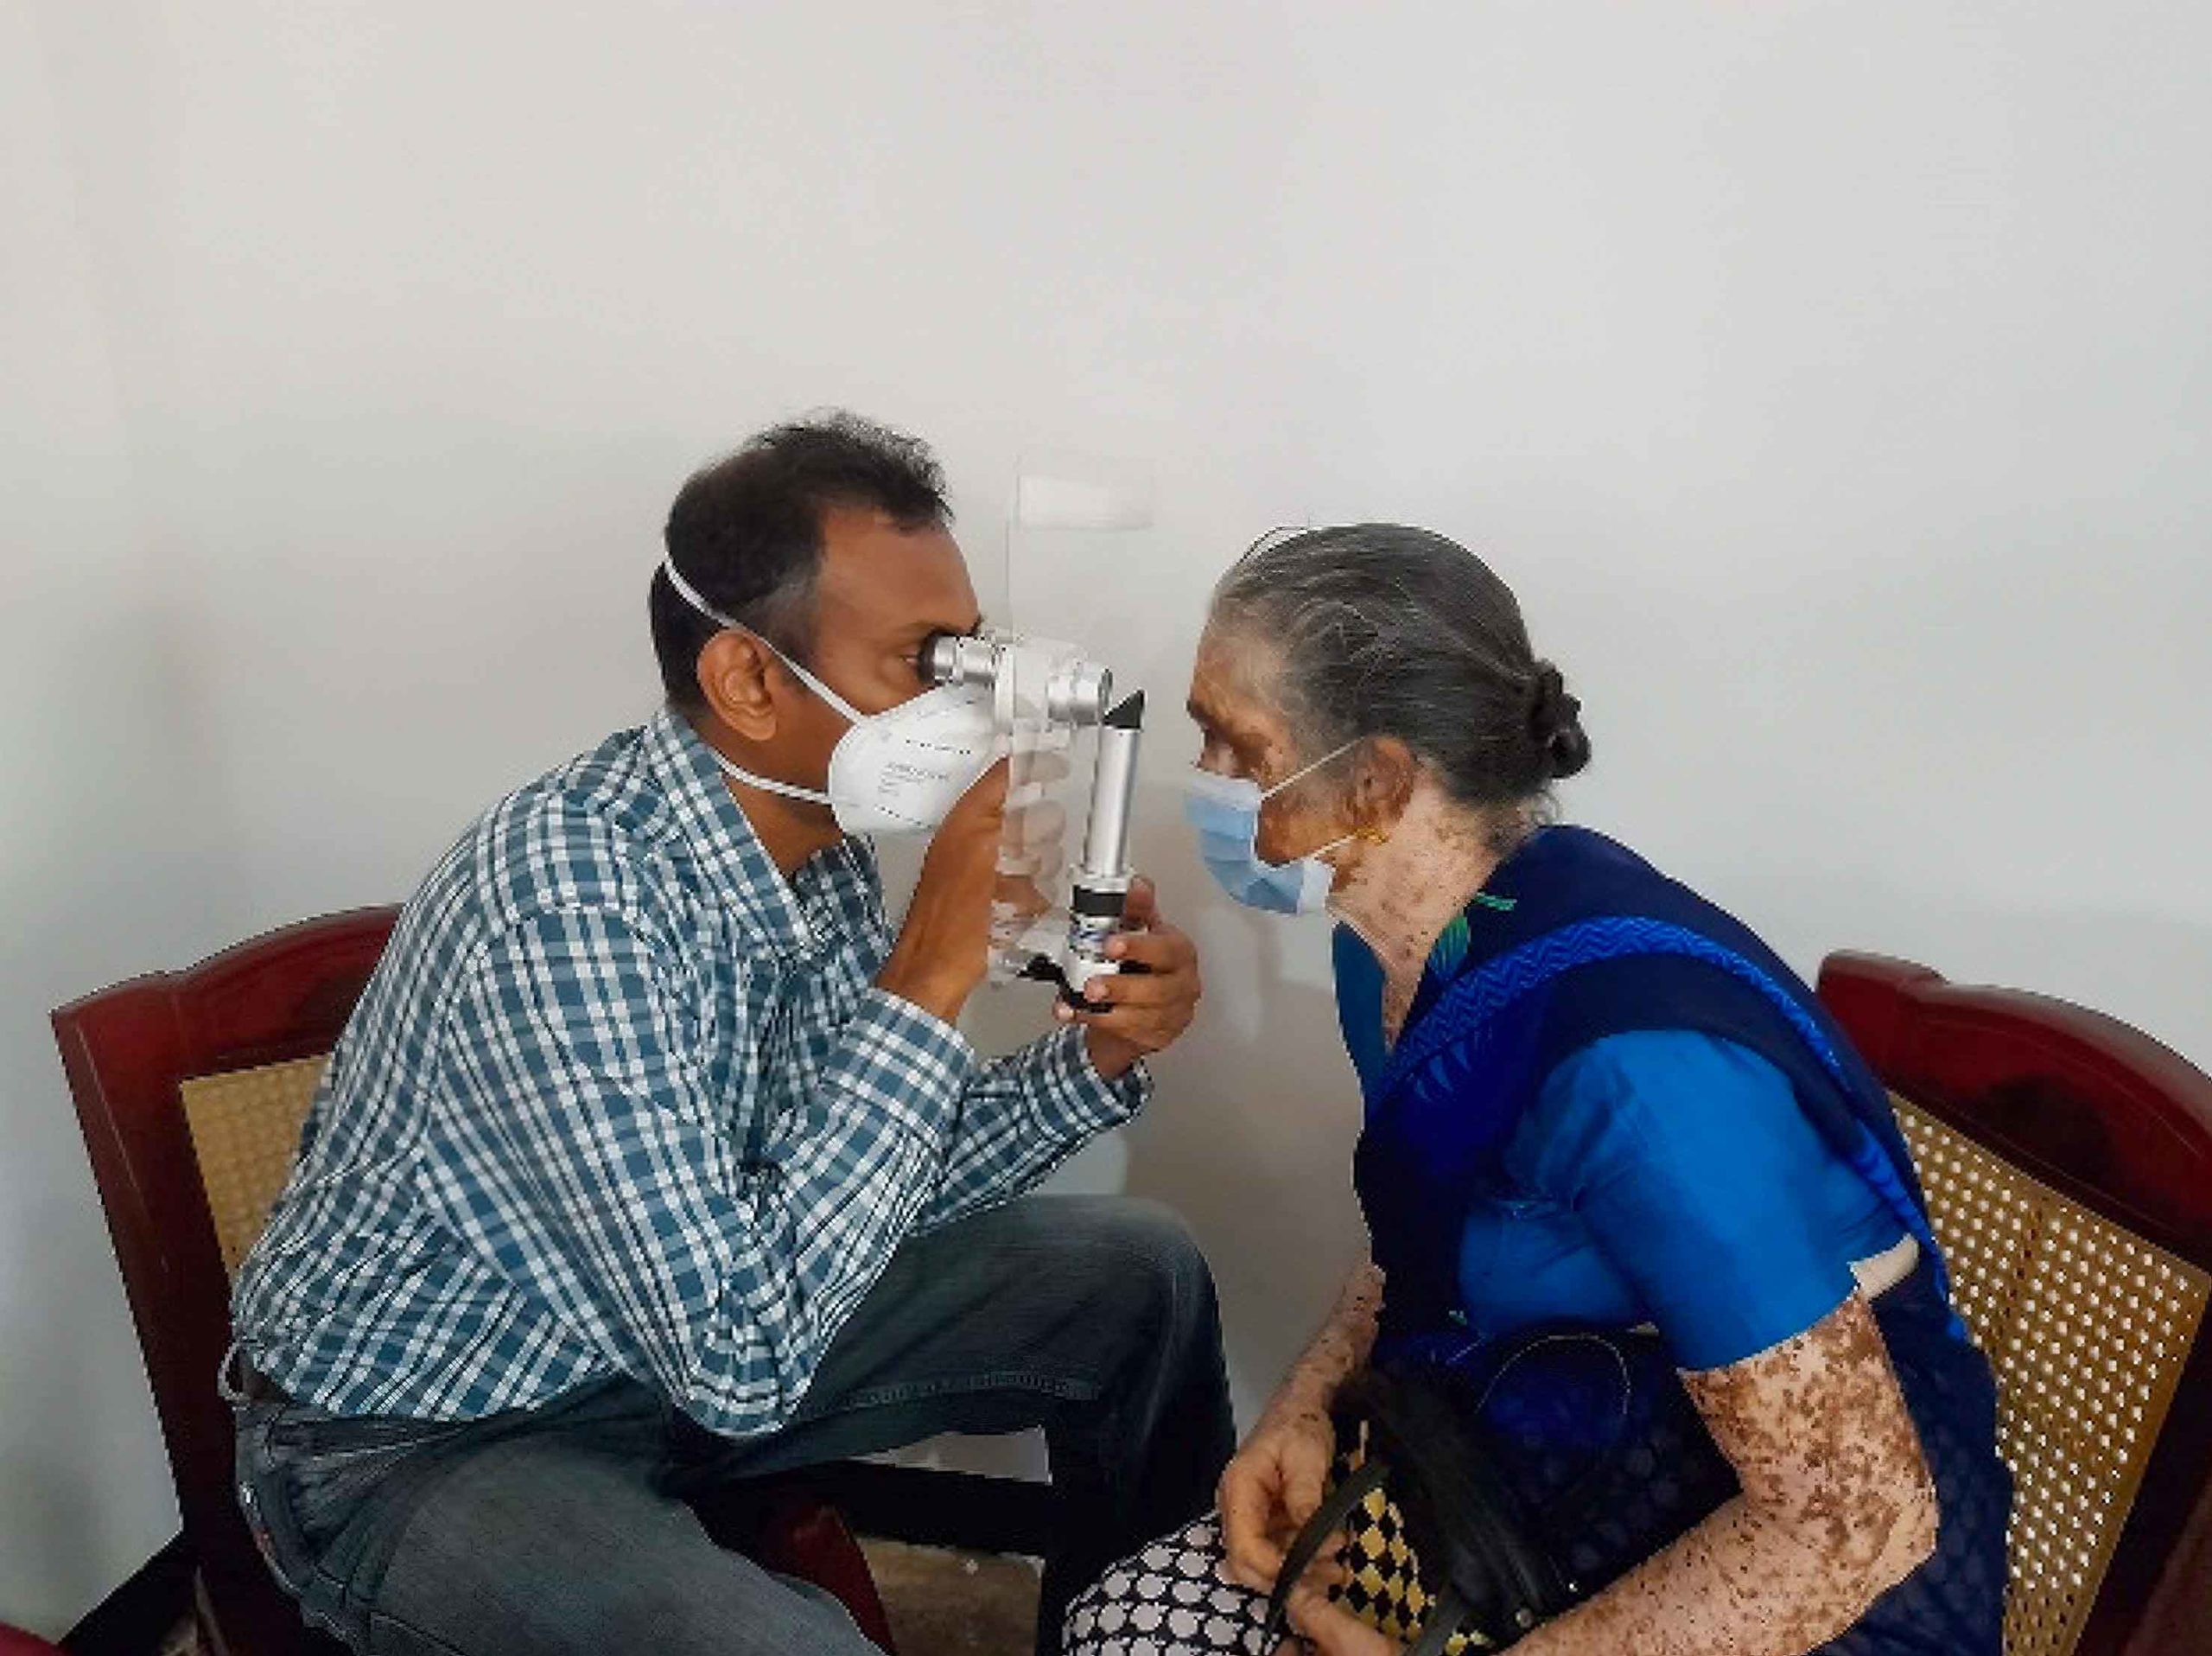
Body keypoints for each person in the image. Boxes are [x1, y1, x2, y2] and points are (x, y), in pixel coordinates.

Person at [226, 413, 1230, 1656]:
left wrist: (1091, 1062)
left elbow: (847, 1200)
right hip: (424, 1440)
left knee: (1140, 1277)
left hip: (669, 1348)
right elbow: (742, 1357)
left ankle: (1151, 1635)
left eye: (974, 657)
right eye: (929, 663)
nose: (969, 709)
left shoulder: (815, 856)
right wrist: (928, 979)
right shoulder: (567, 899)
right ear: (750, 681)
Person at [1065, 524, 2010, 1656]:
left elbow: (1854, 1527)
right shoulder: (1392, 950)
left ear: (1376, 781)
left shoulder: (1642, 1079)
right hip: (1536, 1487)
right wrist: (1306, 1400)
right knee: (1120, 1624)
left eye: (1237, 749)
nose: (1206, 787)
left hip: (1779, 1594)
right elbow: (1445, 1227)